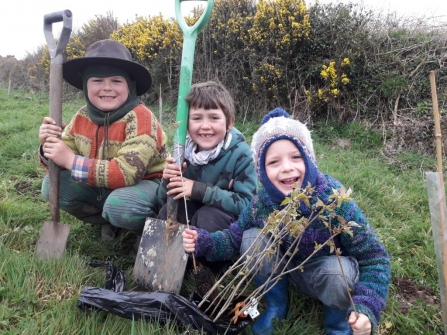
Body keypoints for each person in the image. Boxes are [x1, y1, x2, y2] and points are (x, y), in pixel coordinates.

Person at [182, 108, 391, 335]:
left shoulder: (333, 201)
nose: (287, 168)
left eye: (295, 157)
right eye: (273, 162)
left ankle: (339, 321)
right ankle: (276, 305)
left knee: (336, 272)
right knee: (252, 237)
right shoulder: (263, 202)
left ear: (309, 160)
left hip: (325, 276)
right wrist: (207, 242)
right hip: (285, 270)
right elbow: (234, 237)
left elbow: (375, 258)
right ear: (261, 171)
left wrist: (367, 307)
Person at [38, 39, 168, 241]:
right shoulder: (82, 116)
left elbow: (128, 174)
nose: (107, 87)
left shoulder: (141, 118)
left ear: (130, 86)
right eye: (97, 80)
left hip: (146, 185)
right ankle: (109, 221)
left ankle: (149, 231)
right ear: (85, 85)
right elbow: (61, 160)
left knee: (121, 205)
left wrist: (71, 160)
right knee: (52, 186)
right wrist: (49, 145)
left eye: (116, 81)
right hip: (103, 186)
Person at [157, 81, 258, 272]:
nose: (205, 126)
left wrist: (198, 190)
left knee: (207, 217)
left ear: (230, 122)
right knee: (167, 212)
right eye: (196, 118)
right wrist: (166, 181)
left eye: (214, 118)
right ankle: (171, 267)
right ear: (186, 124)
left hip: (224, 220)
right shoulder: (182, 151)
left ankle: (210, 267)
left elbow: (248, 205)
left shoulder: (242, 155)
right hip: (193, 210)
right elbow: (161, 200)